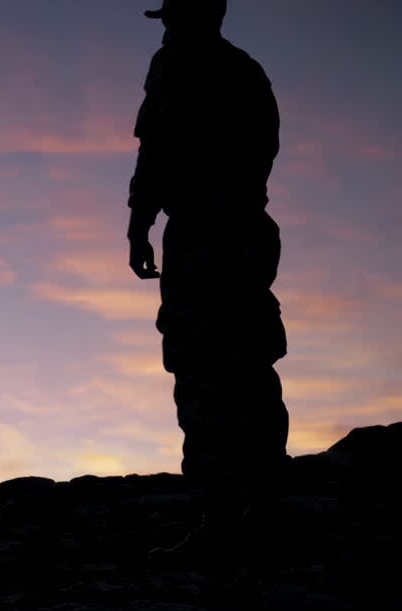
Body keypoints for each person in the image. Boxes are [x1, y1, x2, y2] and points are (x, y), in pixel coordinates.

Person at [126, 0, 290, 559]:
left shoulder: (176, 66)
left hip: (207, 232)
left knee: (204, 367)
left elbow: (156, 152)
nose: (168, 26)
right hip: (242, 229)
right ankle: (257, 510)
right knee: (242, 365)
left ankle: (227, 517)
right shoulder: (247, 70)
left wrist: (140, 222)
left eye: (174, 16)